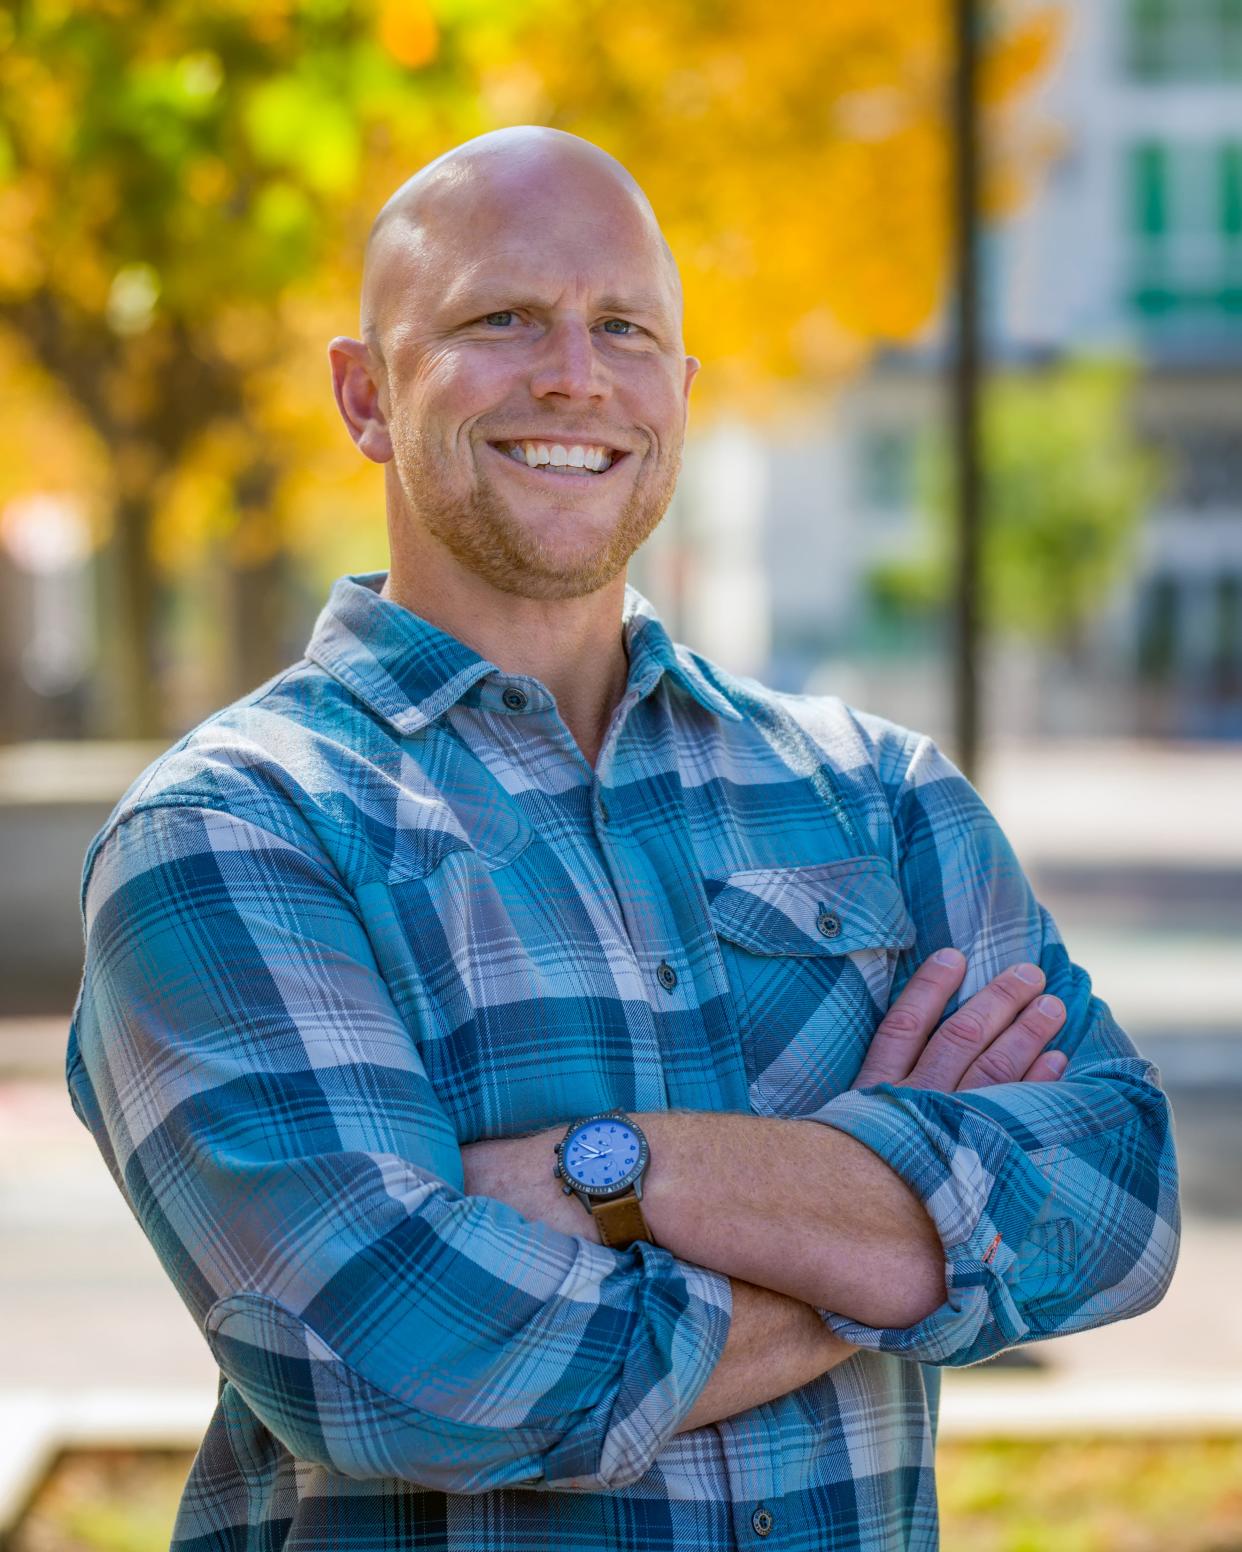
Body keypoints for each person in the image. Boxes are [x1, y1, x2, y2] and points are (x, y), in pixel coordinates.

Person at [66, 127, 1180, 1552]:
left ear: (682, 390)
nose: (573, 377)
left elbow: (1116, 1197)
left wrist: (622, 1171)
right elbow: (407, 1374)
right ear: (364, 393)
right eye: (498, 319)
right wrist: (901, 1218)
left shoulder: (876, 795)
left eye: (624, 329)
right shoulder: (228, 836)